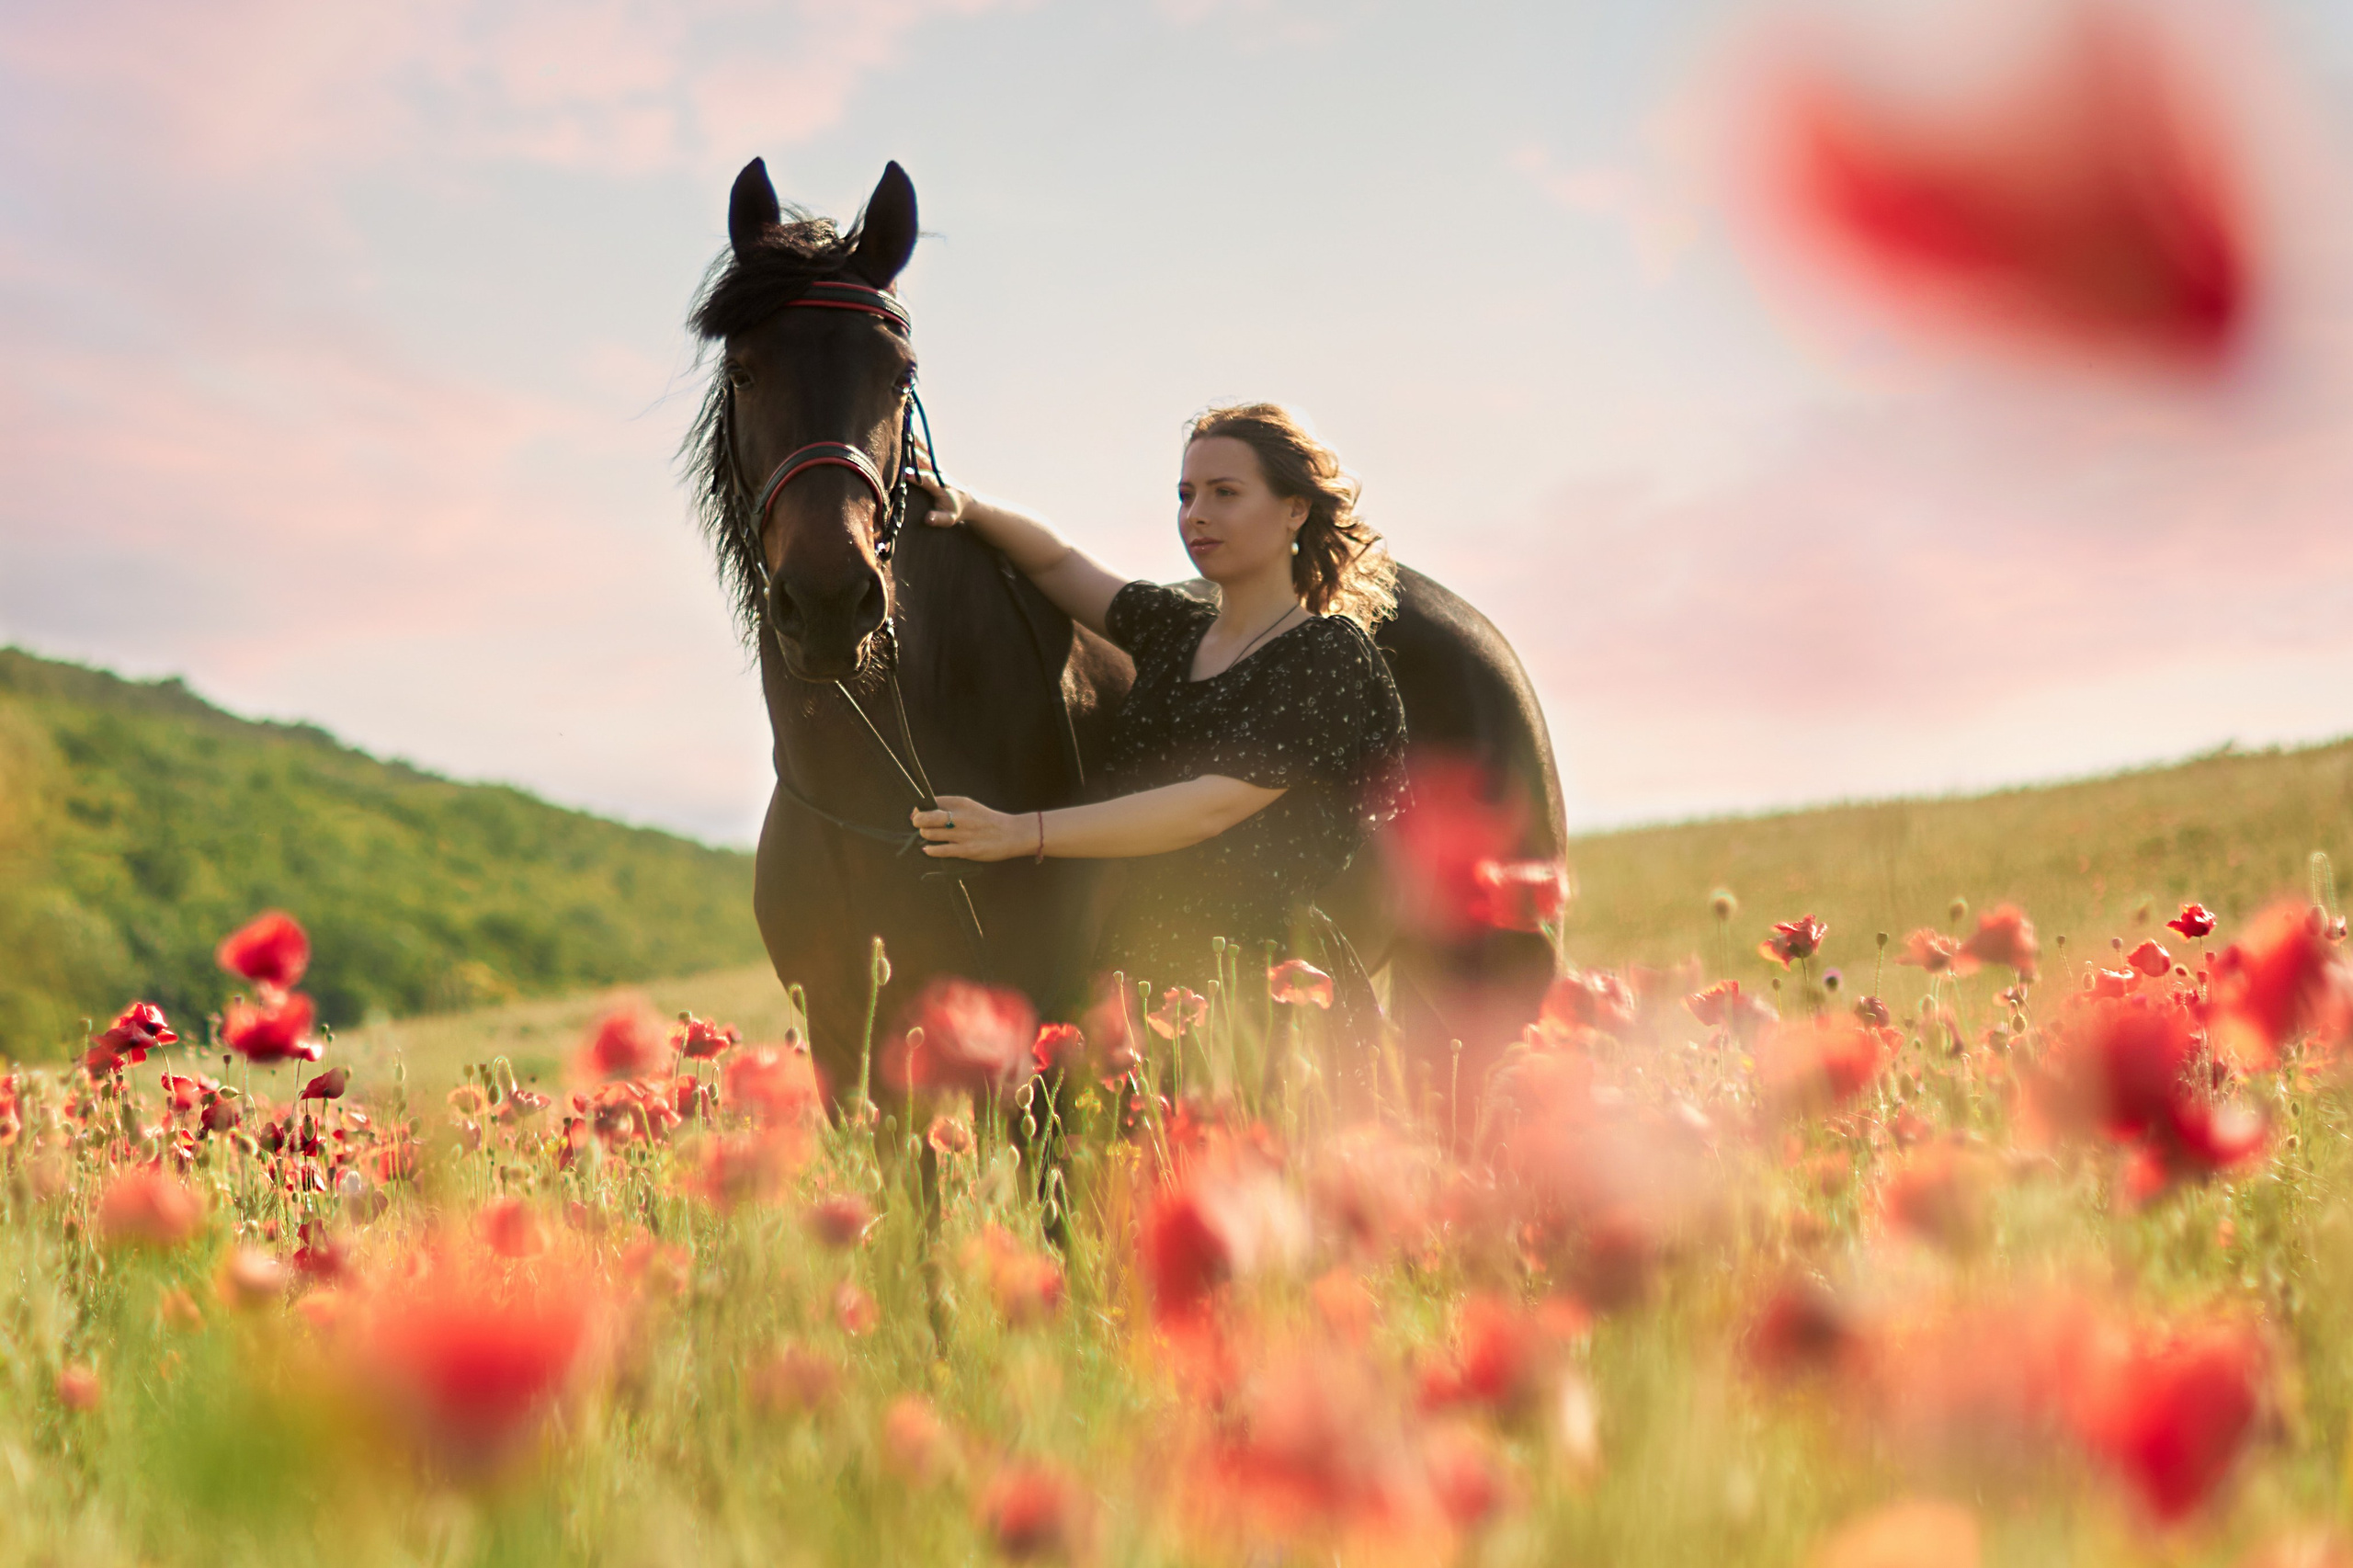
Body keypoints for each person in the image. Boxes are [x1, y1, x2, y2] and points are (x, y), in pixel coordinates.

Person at [908, 402, 1408, 1023]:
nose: (1196, 514)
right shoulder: (1174, 631)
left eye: (1225, 492)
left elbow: (1210, 806)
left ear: (1294, 509)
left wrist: (1020, 833)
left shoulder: (1327, 653)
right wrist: (968, 506)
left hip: (1263, 987)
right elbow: (1057, 563)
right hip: (1136, 969)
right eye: (1186, 493)